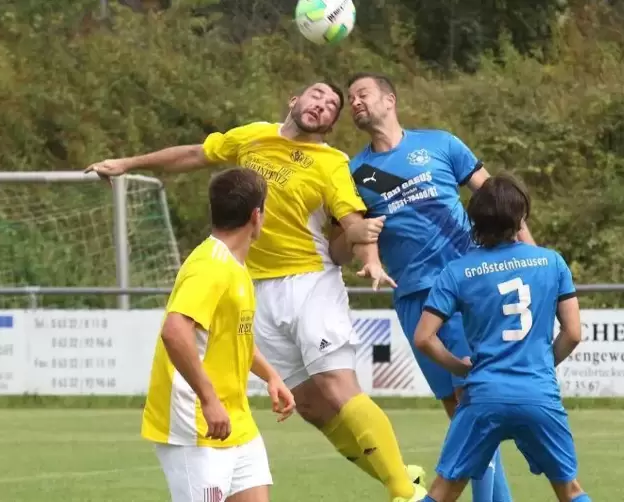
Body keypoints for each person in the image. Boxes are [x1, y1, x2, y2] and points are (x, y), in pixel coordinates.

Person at [85, 81, 427, 502]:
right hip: (256, 289)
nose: (322, 104)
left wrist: (368, 250)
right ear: (294, 100)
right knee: (312, 407)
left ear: (330, 125)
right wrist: (126, 162)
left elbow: (353, 219)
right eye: (317, 95)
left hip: (310, 281)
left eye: (332, 106)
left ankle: (404, 494)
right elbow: (194, 154)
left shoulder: (330, 161)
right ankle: (399, 476)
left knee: (337, 386)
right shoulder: (251, 136)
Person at [345, 72, 536, 502]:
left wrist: (533, 258)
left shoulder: (441, 144)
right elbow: (355, 232)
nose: (355, 102)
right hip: (413, 297)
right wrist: (368, 257)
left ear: (390, 99)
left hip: (467, 284)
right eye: (350, 98)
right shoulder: (356, 172)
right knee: (461, 415)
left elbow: (501, 202)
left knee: (475, 408)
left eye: (363, 94)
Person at [413, 174, 590, 502]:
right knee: (570, 490)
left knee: (442, 491)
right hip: (539, 394)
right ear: (521, 217)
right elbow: (574, 333)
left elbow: (424, 337)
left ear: (474, 219)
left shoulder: (458, 271)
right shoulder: (552, 262)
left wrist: (461, 368)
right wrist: (540, 364)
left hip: (484, 395)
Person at [140, 167, 295, 502]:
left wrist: (271, 376)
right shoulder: (209, 265)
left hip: (235, 418)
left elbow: (232, 338)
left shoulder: (235, 266)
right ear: (257, 215)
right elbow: (174, 331)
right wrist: (208, 399)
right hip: (195, 421)